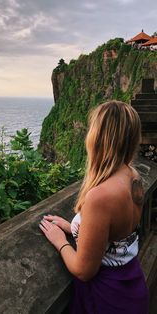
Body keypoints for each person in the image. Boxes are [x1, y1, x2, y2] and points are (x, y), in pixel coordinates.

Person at [39, 100, 149, 314]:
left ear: (98, 137)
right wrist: (75, 229)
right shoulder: (133, 176)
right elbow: (116, 234)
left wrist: (61, 241)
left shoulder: (100, 196)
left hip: (106, 298)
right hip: (131, 283)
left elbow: (84, 271)